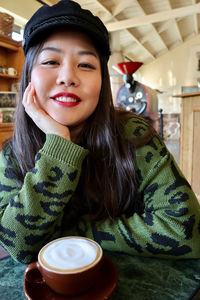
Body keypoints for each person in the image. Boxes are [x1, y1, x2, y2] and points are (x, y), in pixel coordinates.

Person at [0, 0, 199, 264]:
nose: (68, 77)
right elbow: (19, 245)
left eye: (86, 65)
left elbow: (186, 231)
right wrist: (59, 146)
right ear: (28, 77)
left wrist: (73, 236)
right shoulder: (13, 153)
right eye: (50, 61)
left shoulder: (132, 134)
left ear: (103, 82)